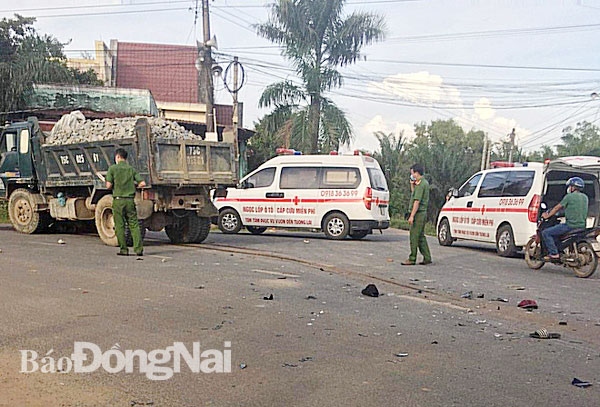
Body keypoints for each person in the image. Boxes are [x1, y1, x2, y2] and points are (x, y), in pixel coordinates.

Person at [106, 148, 146, 256]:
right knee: (134, 225)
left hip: (118, 201)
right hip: (130, 200)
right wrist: (134, 186)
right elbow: (142, 183)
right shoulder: (131, 169)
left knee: (120, 225)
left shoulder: (112, 169)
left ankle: (124, 250)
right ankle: (138, 250)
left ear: (117, 157)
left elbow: (108, 185)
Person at [541, 176, 588, 261]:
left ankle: (554, 253)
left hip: (570, 225)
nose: (569, 188)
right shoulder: (585, 197)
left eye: (570, 186)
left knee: (546, 233)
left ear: (573, 187)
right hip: (582, 226)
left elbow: (557, 208)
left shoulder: (569, 197)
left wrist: (547, 215)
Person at [402, 163, 432, 266]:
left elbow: (416, 201)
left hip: (419, 214)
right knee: (420, 236)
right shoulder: (423, 183)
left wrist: (412, 216)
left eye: (412, 173)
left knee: (414, 236)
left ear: (416, 172)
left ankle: (412, 257)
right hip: (422, 213)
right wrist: (412, 184)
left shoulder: (421, 185)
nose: (412, 175)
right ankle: (427, 257)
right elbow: (414, 193)